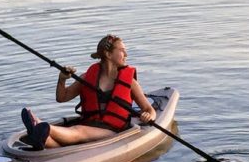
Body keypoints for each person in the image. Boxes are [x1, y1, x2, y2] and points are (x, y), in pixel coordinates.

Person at [21, 34, 157, 150]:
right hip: (89, 124)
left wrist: (148, 116)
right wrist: (62, 79)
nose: (126, 54)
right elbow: (62, 97)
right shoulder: (87, 77)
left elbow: (149, 109)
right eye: (122, 50)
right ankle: (41, 136)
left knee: (79, 131)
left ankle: (42, 126)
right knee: (65, 137)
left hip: (113, 132)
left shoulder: (130, 83)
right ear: (108, 54)